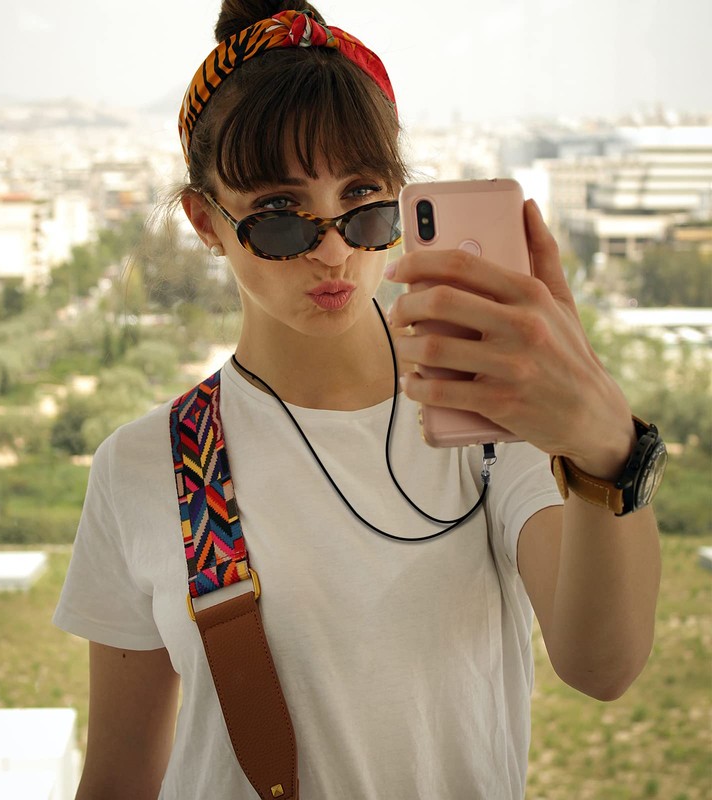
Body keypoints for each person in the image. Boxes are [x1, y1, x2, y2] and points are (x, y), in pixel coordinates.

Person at [53, 2, 662, 798]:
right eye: (280, 217)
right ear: (206, 222)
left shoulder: (488, 420)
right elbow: (121, 771)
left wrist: (606, 443)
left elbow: (602, 666)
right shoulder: (147, 467)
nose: (334, 249)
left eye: (364, 202)